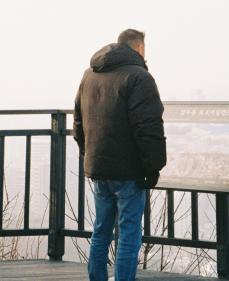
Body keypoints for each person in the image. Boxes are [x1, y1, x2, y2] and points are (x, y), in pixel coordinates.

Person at [73, 29, 167, 281]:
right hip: (129, 172)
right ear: (139, 49)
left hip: (99, 168)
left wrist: (87, 154)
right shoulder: (139, 77)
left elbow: (78, 121)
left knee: (101, 232)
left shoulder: (89, 74)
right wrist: (153, 167)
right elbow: (148, 127)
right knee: (128, 236)